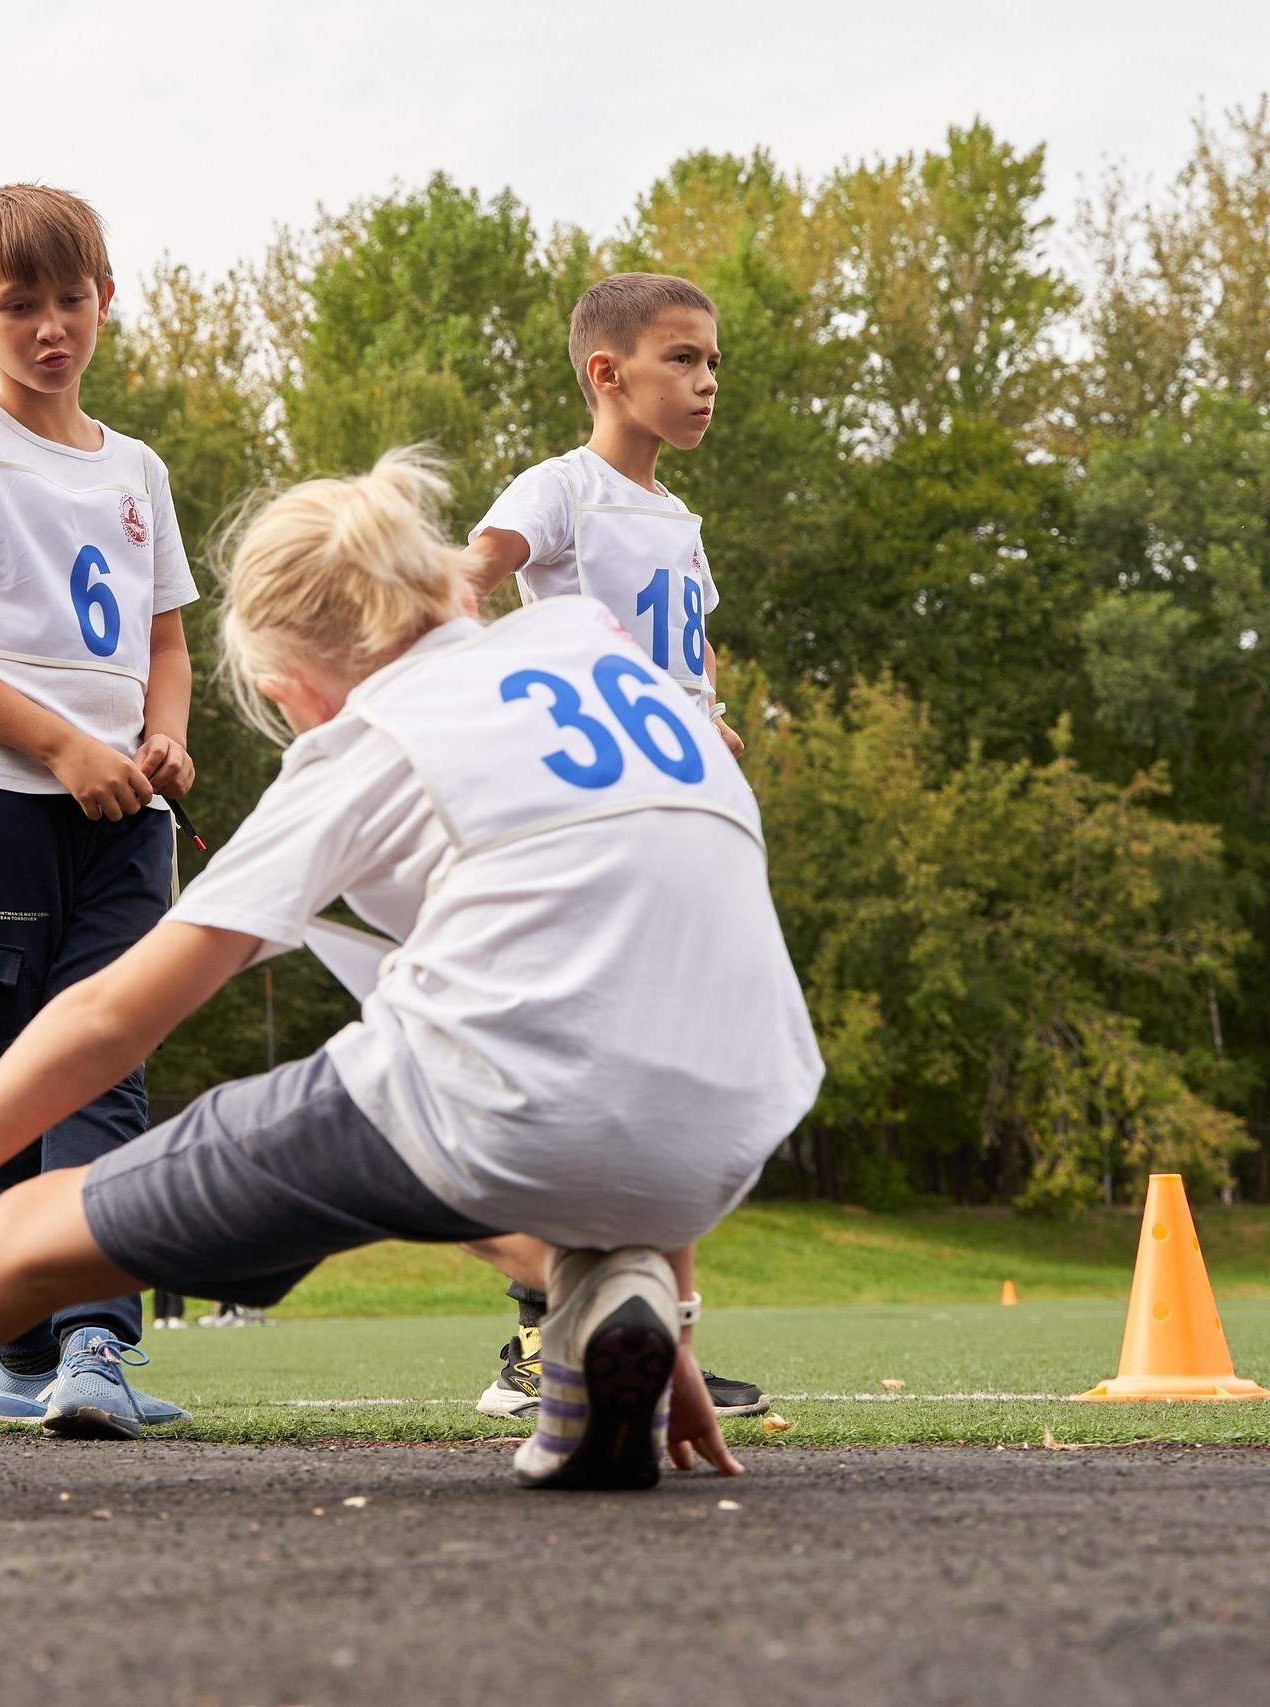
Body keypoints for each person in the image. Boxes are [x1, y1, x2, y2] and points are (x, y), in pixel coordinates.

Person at [0, 447, 822, 1492]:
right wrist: (666, 1295)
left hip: (512, 1107)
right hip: (733, 1124)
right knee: (462, 1057)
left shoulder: (365, 737)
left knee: (25, 1232)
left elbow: (113, 1016)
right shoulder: (596, 649)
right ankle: (602, 1293)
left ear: (299, 678)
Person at [0, 184, 199, 1437]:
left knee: (107, 1050)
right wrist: (65, 745)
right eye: (21, 305)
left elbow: (165, 641)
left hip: (125, 811)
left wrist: (159, 736)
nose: (51, 326)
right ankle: (15, 1353)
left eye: (73, 299)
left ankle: (95, 1343)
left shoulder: (138, 468)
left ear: (106, 300)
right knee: (3, 1071)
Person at [452, 272, 768, 1425]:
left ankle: (652, 1337)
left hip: (673, 824)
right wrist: (521, 707)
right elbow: (460, 586)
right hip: (583, 819)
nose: (706, 382)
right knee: (570, 1070)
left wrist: (706, 716)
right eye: (683, 359)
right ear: (608, 373)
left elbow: (687, 656)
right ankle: (539, 1348)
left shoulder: (677, 522)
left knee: (659, 1076)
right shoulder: (564, 489)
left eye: (713, 363)